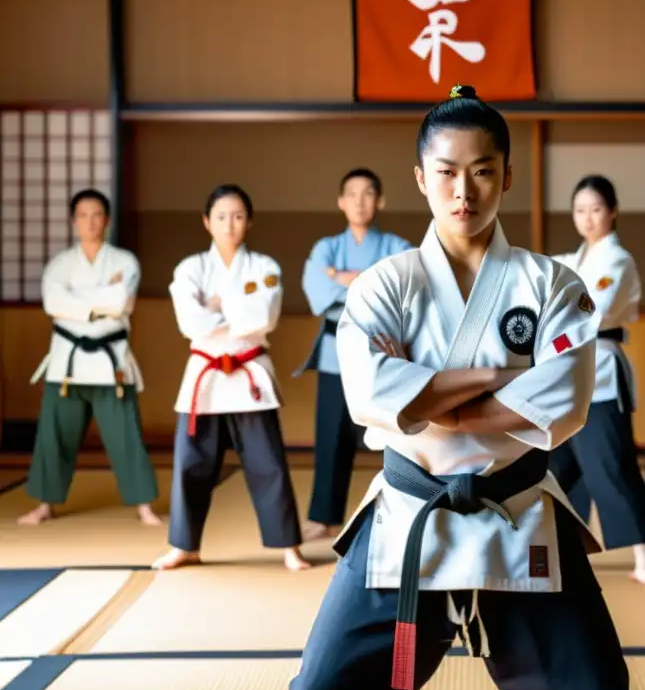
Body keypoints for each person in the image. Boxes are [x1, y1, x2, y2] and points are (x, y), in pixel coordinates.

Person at [288, 86, 638, 690]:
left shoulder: (553, 283)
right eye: (447, 173)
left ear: (507, 177)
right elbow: (370, 393)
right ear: (421, 179)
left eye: (482, 172)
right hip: (408, 510)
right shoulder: (383, 286)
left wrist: (425, 393)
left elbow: (566, 401)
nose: (464, 192)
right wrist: (505, 376)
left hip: (520, 507)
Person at [151, 184, 309, 572]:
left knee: (268, 464)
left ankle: (289, 545)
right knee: (191, 464)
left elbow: (264, 317)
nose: (230, 224)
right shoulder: (190, 268)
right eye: (221, 216)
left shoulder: (265, 268)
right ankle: (184, 545)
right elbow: (190, 323)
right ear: (207, 222)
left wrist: (218, 307)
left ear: (249, 221)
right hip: (204, 380)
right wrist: (235, 311)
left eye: (238, 216)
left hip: (248, 377)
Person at [18, 188, 161, 527]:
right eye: (83, 215)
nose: (90, 221)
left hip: (111, 362)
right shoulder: (60, 264)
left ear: (107, 220)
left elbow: (122, 301)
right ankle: (44, 505)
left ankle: (144, 506)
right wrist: (101, 300)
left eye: (97, 214)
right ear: (74, 221)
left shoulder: (125, 262)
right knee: (54, 435)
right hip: (66, 361)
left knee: (126, 433)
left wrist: (78, 301)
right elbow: (54, 304)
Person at [547, 175, 645, 583]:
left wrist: (552, 331)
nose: (588, 218)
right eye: (580, 210)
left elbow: (590, 315)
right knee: (553, 468)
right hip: (562, 376)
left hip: (599, 373)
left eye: (596, 209)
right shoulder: (571, 259)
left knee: (612, 466)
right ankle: (563, 551)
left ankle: (644, 558)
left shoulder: (617, 260)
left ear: (612, 212)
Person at [296, 169, 412, 541]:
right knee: (331, 436)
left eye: (368, 194)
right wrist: (368, 280)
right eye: (352, 194)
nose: (360, 201)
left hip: (383, 352)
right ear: (341, 201)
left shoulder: (398, 245)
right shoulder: (325, 248)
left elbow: (401, 291)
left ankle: (403, 509)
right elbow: (317, 291)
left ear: (380, 201)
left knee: (397, 433)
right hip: (336, 354)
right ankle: (324, 516)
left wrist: (344, 278)